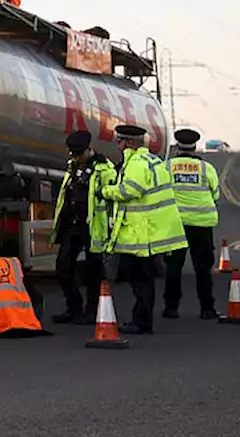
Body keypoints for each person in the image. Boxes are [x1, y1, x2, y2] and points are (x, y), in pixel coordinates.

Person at [100, 124, 188, 335]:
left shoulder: (137, 163)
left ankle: (142, 321)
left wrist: (105, 191)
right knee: (144, 279)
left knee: (139, 280)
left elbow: (131, 190)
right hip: (149, 231)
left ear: (129, 143)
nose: (118, 146)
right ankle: (143, 320)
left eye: (119, 142)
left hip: (140, 234)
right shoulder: (153, 160)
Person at [49, 130, 117, 324]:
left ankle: (92, 310)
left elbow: (111, 199)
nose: (75, 157)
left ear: (89, 150)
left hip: (93, 225)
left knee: (93, 270)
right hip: (72, 223)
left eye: (78, 153)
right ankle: (73, 307)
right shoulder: (72, 167)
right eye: (73, 154)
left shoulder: (104, 169)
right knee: (63, 267)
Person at [163, 128, 221, 320]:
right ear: (195, 147)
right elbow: (216, 194)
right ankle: (207, 308)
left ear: (177, 146)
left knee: (173, 267)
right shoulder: (207, 168)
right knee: (203, 268)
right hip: (201, 224)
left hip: (175, 224)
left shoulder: (167, 167)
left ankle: (171, 308)